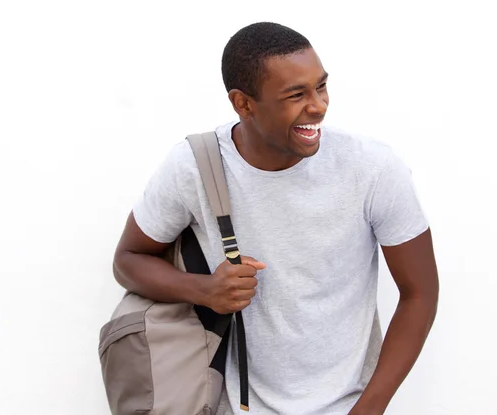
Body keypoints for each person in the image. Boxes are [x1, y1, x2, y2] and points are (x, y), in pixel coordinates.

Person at [111, 21, 439, 415]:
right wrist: (204, 290)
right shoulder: (196, 167)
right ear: (244, 104)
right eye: (295, 94)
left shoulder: (372, 168)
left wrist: (370, 407)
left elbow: (420, 293)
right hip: (234, 405)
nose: (317, 106)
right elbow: (128, 260)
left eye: (321, 86)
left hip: (350, 404)